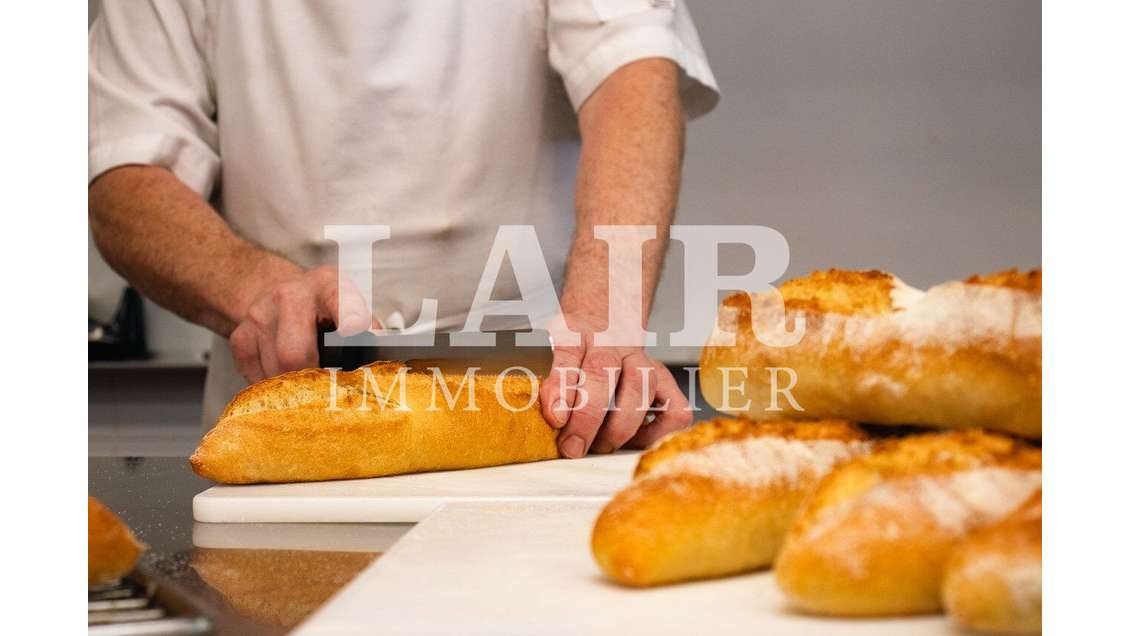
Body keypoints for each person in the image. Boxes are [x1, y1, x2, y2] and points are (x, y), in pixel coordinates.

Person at [88, 1, 719, 459]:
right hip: (290, 409)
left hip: (542, 409)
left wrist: (602, 324)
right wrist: (249, 285)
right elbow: (122, 167)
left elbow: (631, 74)